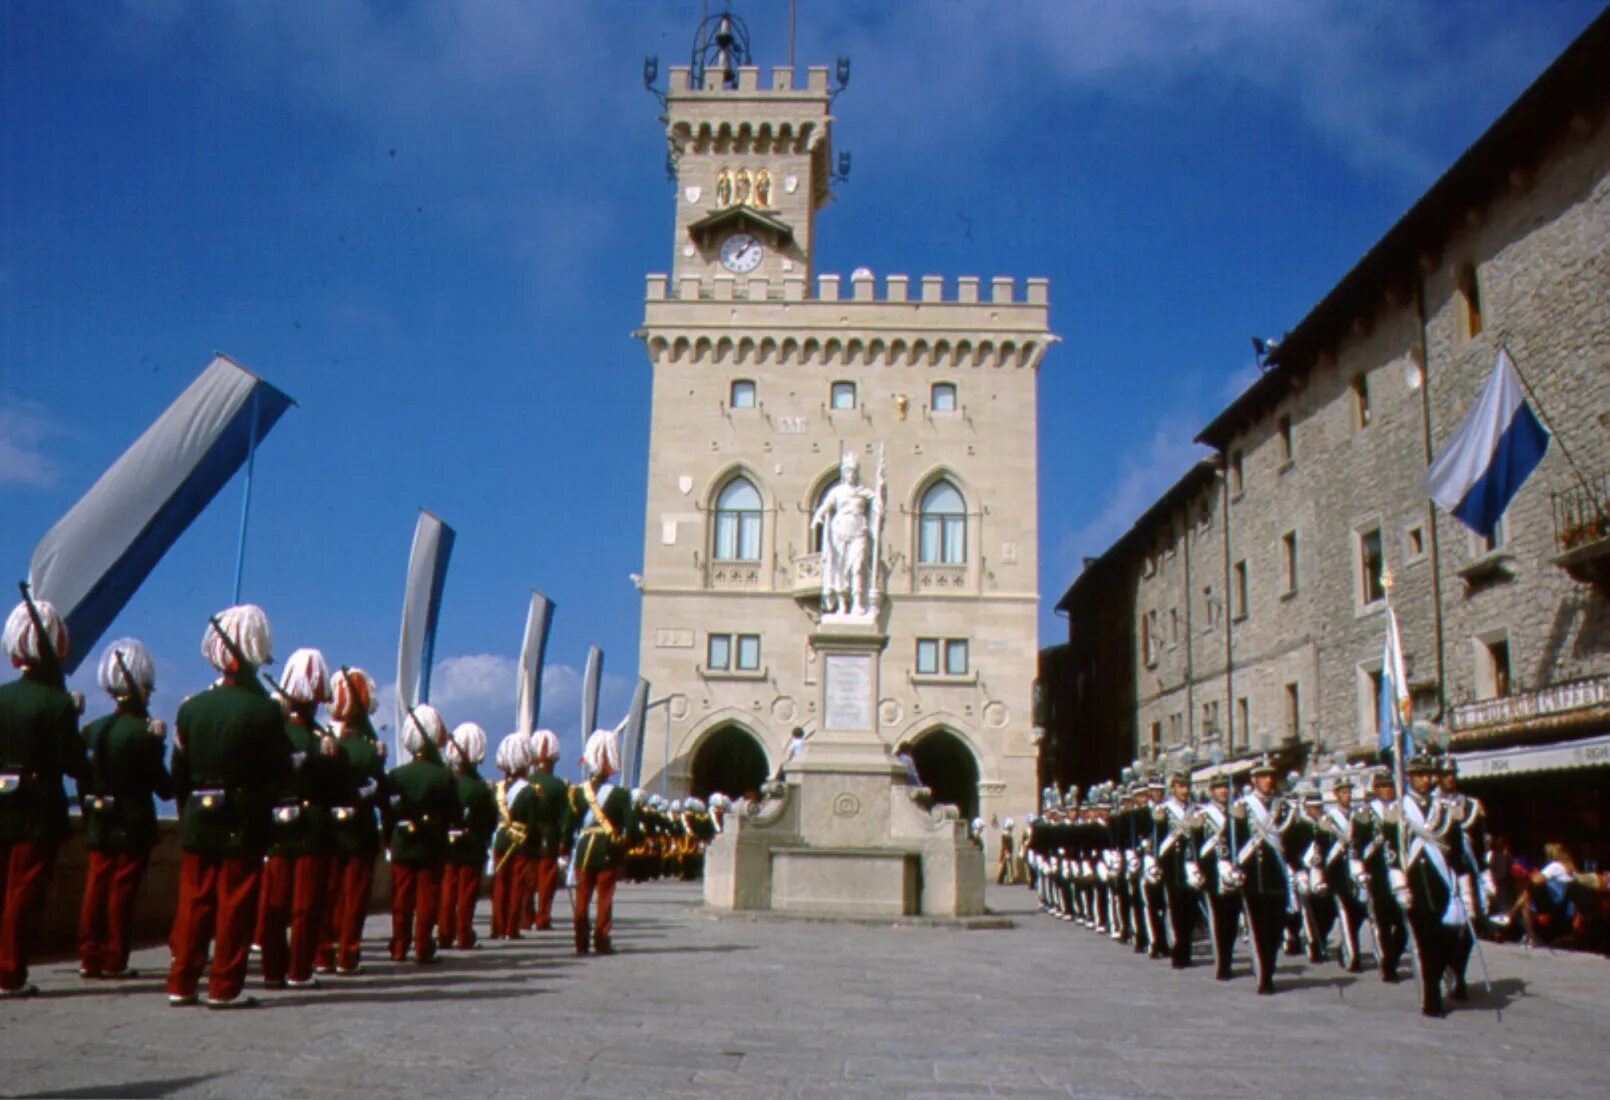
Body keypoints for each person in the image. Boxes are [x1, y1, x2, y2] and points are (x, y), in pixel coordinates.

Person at [168, 604, 288, 1009]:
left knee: (194, 902)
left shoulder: (190, 707)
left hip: (199, 813)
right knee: (235, 902)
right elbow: (279, 771)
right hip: (243, 814)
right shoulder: (265, 711)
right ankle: (224, 986)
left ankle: (181, 981)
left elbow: (178, 772)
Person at [0, 596, 83, 998]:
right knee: (23, 894)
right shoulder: (57, 703)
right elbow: (72, 762)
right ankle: (9, 972)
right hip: (37, 806)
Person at [77, 638, 173, 981]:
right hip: (132, 822)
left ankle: (89, 956)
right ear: (141, 687)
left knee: (96, 888)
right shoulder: (142, 735)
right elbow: (165, 787)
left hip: (98, 819)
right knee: (120, 893)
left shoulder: (91, 730)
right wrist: (161, 746)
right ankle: (114, 957)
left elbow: (81, 779)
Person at [258, 647, 338, 991]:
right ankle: (298, 970)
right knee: (304, 906)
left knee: (275, 905)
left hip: (275, 827)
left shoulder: (272, 732)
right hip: (308, 830)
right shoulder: (319, 742)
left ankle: (273, 970)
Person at [1381, 755, 1475, 1016]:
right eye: (1421, 774)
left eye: (1428, 774)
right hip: (1416, 889)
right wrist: (1400, 886)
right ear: (1410, 777)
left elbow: (1456, 854)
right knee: (1424, 944)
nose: (1426, 779)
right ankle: (1431, 998)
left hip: (1442, 886)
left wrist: (1466, 891)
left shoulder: (1444, 811)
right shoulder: (1398, 812)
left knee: (1449, 941)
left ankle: (1448, 976)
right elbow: (1391, 854)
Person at [317, 666, 385, 975]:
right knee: (353, 898)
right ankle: (348, 953)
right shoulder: (370, 749)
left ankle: (322, 954)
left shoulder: (322, 740)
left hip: (328, 827)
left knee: (327, 893)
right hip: (359, 827)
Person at [384, 704, 457, 965]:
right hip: (431, 842)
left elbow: (387, 812)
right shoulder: (443, 776)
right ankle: (424, 946)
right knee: (427, 899)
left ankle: (399, 946)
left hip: (402, 840)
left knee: (401, 899)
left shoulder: (395, 775)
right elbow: (453, 813)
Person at [1231, 758, 1295, 994]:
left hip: (1277, 875)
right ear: (1254, 780)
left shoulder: (1284, 807)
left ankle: (1270, 966)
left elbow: (1291, 842)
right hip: (1253, 875)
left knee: (1275, 930)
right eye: (1263, 776)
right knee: (1258, 928)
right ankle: (1264, 976)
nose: (1268, 780)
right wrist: (1232, 867)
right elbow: (1234, 839)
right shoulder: (1243, 807)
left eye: (1271, 776)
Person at [568, 727, 634, 956]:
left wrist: (567, 849)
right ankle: (601, 939)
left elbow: (570, 824)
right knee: (604, 898)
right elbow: (631, 827)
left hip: (584, 848)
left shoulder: (577, 792)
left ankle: (580, 940)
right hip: (608, 848)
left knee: (582, 897)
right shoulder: (620, 795)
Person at [440, 722, 494, 950]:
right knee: (466, 893)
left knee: (447, 891)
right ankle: (463, 934)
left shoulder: (445, 782)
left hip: (447, 842)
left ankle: (444, 933)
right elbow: (489, 820)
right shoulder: (480, 788)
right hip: (471, 842)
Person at [512, 728, 570, 932]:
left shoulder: (525, 783)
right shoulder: (558, 786)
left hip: (527, 835)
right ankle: (543, 917)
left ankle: (526, 918)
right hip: (550, 835)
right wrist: (565, 840)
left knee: (528, 880)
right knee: (546, 881)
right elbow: (566, 816)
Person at [1358, 769, 1409, 983]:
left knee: (1404, 926)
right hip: (1377, 874)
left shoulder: (1402, 812)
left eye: (1391, 786)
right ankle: (1389, 966)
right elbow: (1358, 844)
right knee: (1384, 923)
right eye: (1383, 787)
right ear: (1376, 790)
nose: (1388, 790)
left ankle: (1392, 958)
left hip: (1399, 873)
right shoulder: (1366, 814)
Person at [1195, 774, 1241, 980]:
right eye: (1219, 788)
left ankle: (1229, 957)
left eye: (1226, 787)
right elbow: (1196, 847)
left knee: (1232, 921)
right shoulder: (1203, 816)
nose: (1224, 791)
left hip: (1235, 872)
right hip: (1213, 873)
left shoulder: (1238, 814)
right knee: (1218, 920)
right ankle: (1223, 963)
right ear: (1211, 792)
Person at [1154, 771, 1202, 969]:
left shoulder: (1197, 809)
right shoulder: (1164, 810)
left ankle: (1186, 950)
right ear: (1173, 788)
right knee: (1175, 910)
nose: (1185, 790)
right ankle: (1177, 951)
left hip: (1191, 865)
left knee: (1190, 912)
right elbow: (1159, 839)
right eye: (1181, 786)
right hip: (1172, 865)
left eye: (1187, 786)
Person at [489, 732, 531, 940]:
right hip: (520, 841)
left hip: (500, 839)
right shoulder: (529, 791)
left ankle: (496, 926)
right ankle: (510, 928)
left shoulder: (498, 788)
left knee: (500, 884)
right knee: (516, 886)